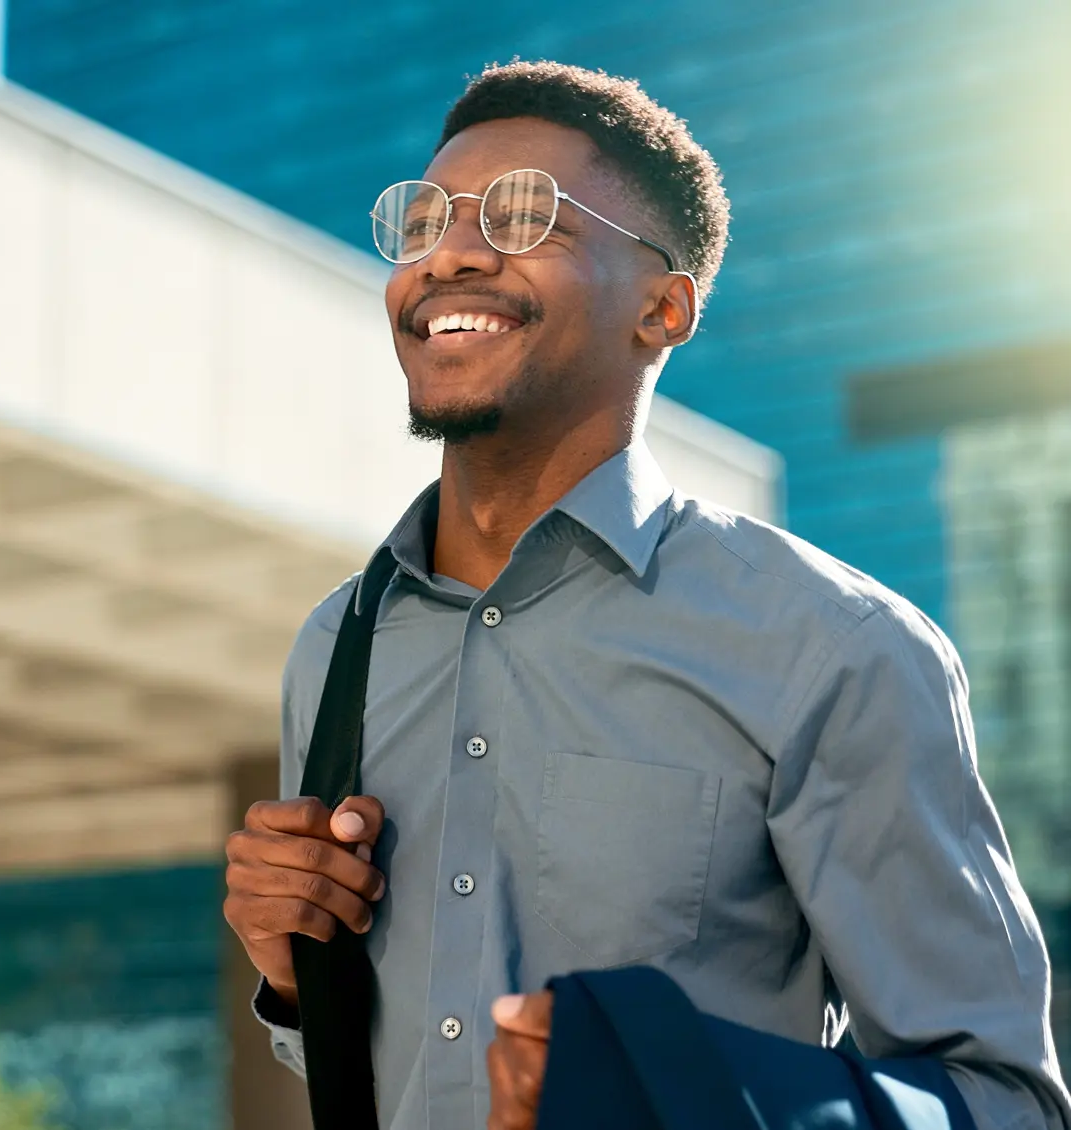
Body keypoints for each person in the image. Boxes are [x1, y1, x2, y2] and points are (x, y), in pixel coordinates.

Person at [221, 60, 1070, 1130]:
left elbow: (1000, 1102)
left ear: (663, 307)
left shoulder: (833, 646)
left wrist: (672, 1090)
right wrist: (296, 976)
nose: (452, 252)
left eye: (524, 214)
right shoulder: (335, 645)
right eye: (424, 219)